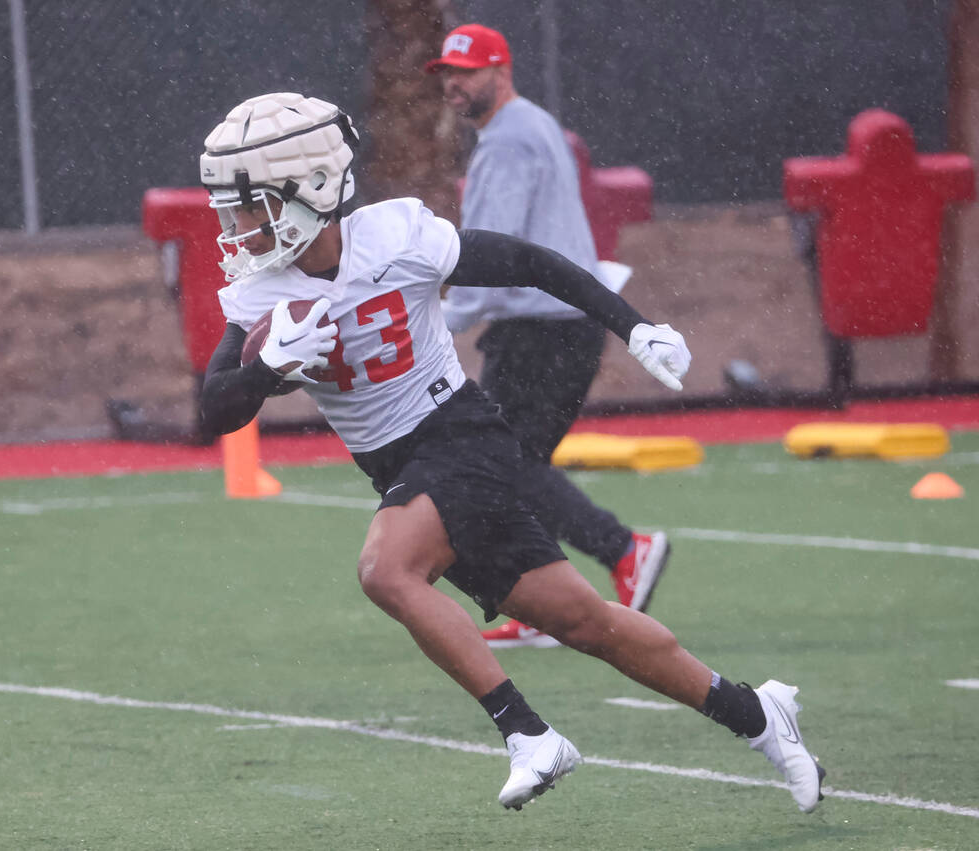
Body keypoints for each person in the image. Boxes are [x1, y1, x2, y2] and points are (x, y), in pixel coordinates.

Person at [197, 91, 825, 813]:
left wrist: (635, 324)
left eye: (249, 207)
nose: (238, 227)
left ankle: (526, 731)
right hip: (403, 469)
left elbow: (528, 262)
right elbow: (217, 408)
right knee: (589, 622)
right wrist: (265, 369)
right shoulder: (261, 295)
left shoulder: (396, 237)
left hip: (460, 435)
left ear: (307, 194)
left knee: (385, 568)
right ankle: (758, 713)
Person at [425, 24, 667, 649]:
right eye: (447, 72)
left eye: (467, 71)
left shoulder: (509, 141)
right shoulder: (530, 126)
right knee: (512, 464)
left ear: (501, 71)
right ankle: (544, 605)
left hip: (542, 329)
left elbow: (490, 253)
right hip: (555, 324)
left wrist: (439, 318)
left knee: (504, 465)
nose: (453, 84)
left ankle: (625, 549)